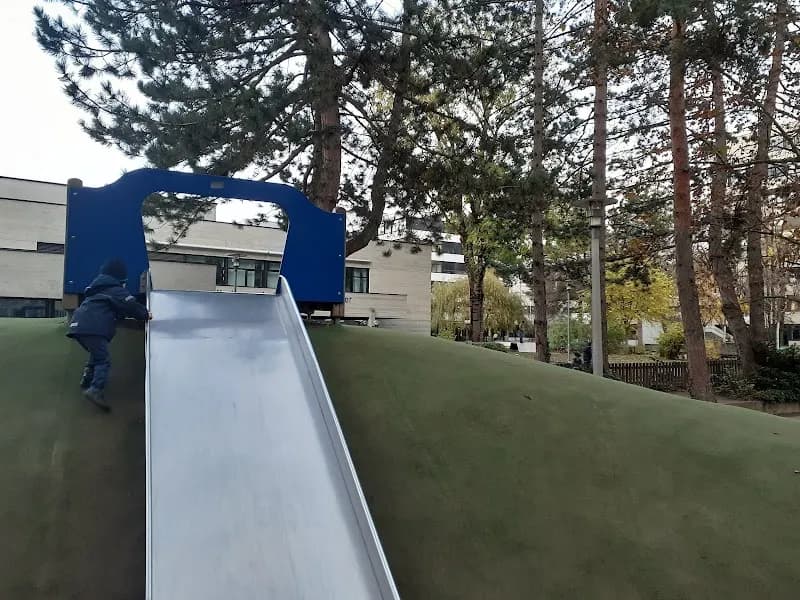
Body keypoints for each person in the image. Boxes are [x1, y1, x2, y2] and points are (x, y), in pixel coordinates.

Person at [66, 258, 151, 411]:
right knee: (103, 360)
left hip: (77, 326)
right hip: (93, 327)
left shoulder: (96, 289)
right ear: (119, 277)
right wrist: (145, 314)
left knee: (96, 353)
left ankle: (87, 377)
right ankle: (95, 389)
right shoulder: (115, 289)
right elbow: (130, 305)